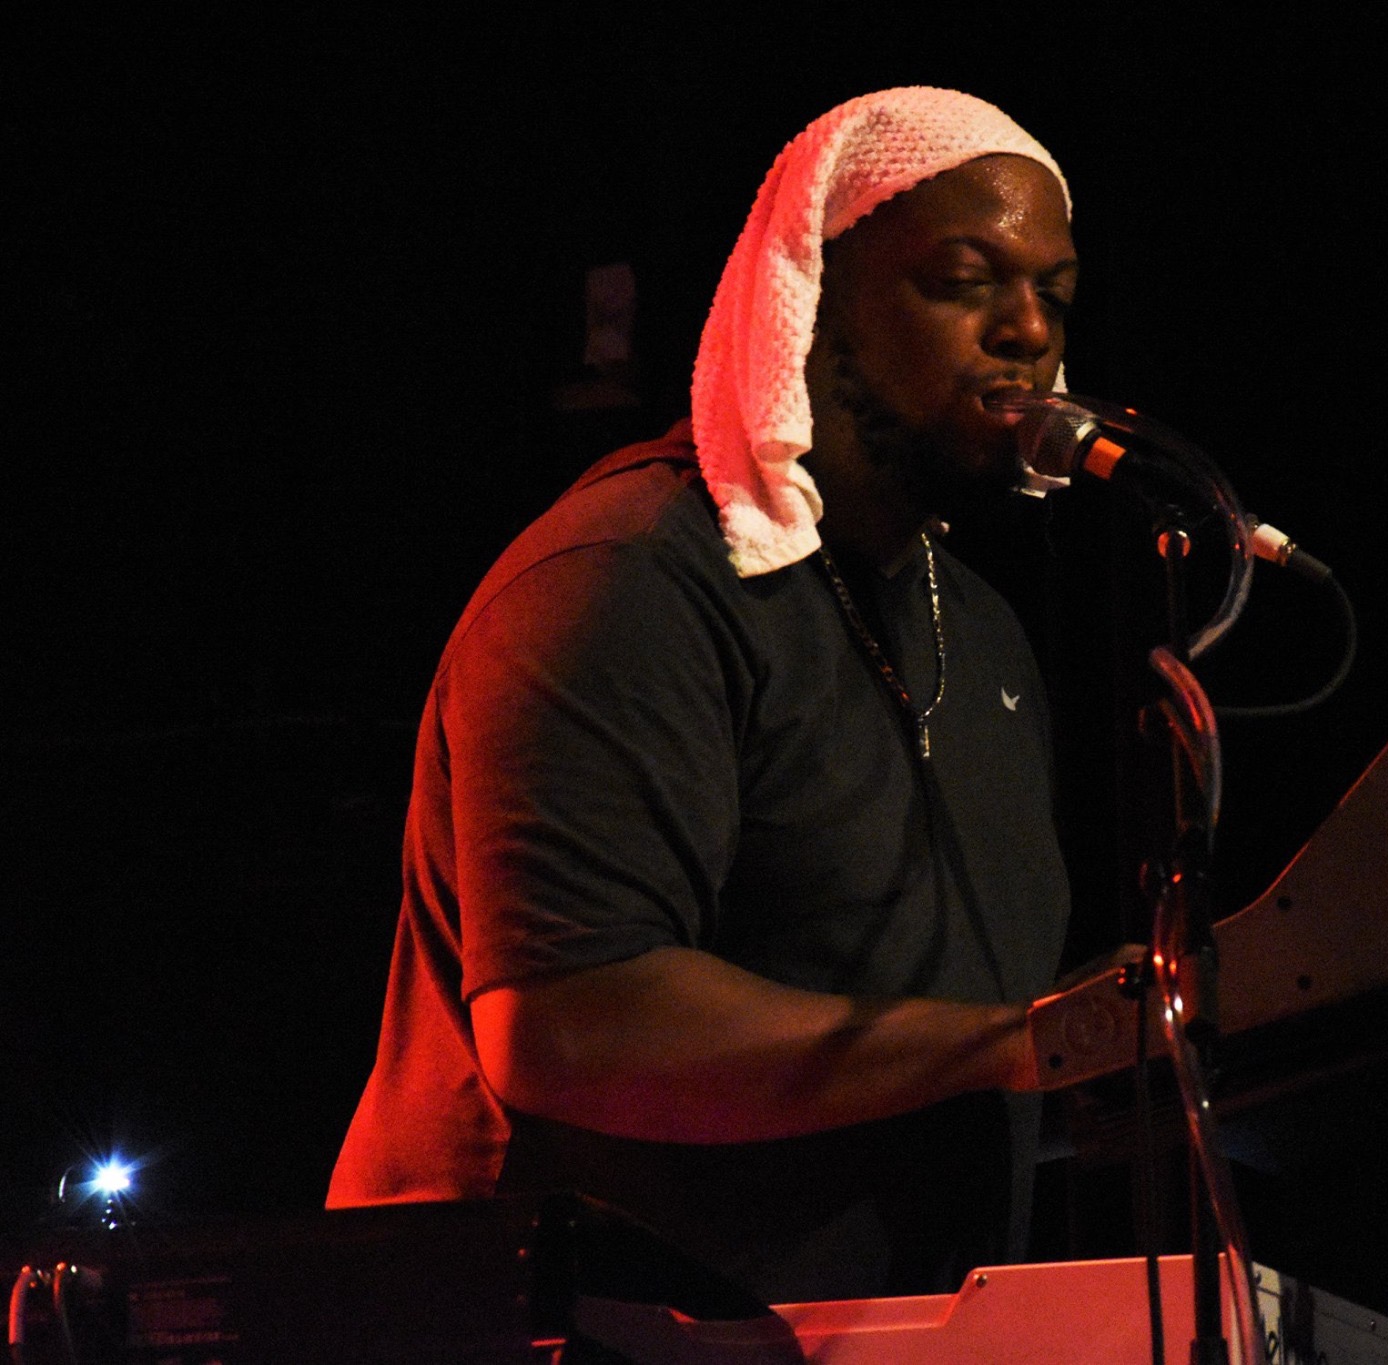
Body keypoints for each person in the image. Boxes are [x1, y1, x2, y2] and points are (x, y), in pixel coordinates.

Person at [328, 88, 1079, 1303]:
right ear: (811, 300)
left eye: (1055, 291)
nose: (1027, 329)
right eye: (963, 280)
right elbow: (570, 1025)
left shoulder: (980, 632)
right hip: (540, 1321)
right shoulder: (628, 576)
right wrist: (1017, 1044)